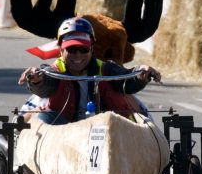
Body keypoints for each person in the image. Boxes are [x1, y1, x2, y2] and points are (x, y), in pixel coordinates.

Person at [19, 18, 161, 125]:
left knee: (138, 114)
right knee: (42, 118)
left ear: (92, 49)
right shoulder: (52, 72)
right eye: (72, 49)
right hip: (63, 134)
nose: (78, 55)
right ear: (61, 50)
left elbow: (127, 80)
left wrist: (141, 74)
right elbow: (45, 85)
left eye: (83, 49)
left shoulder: (107, 69)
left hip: (104, 131)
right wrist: (36, 80)